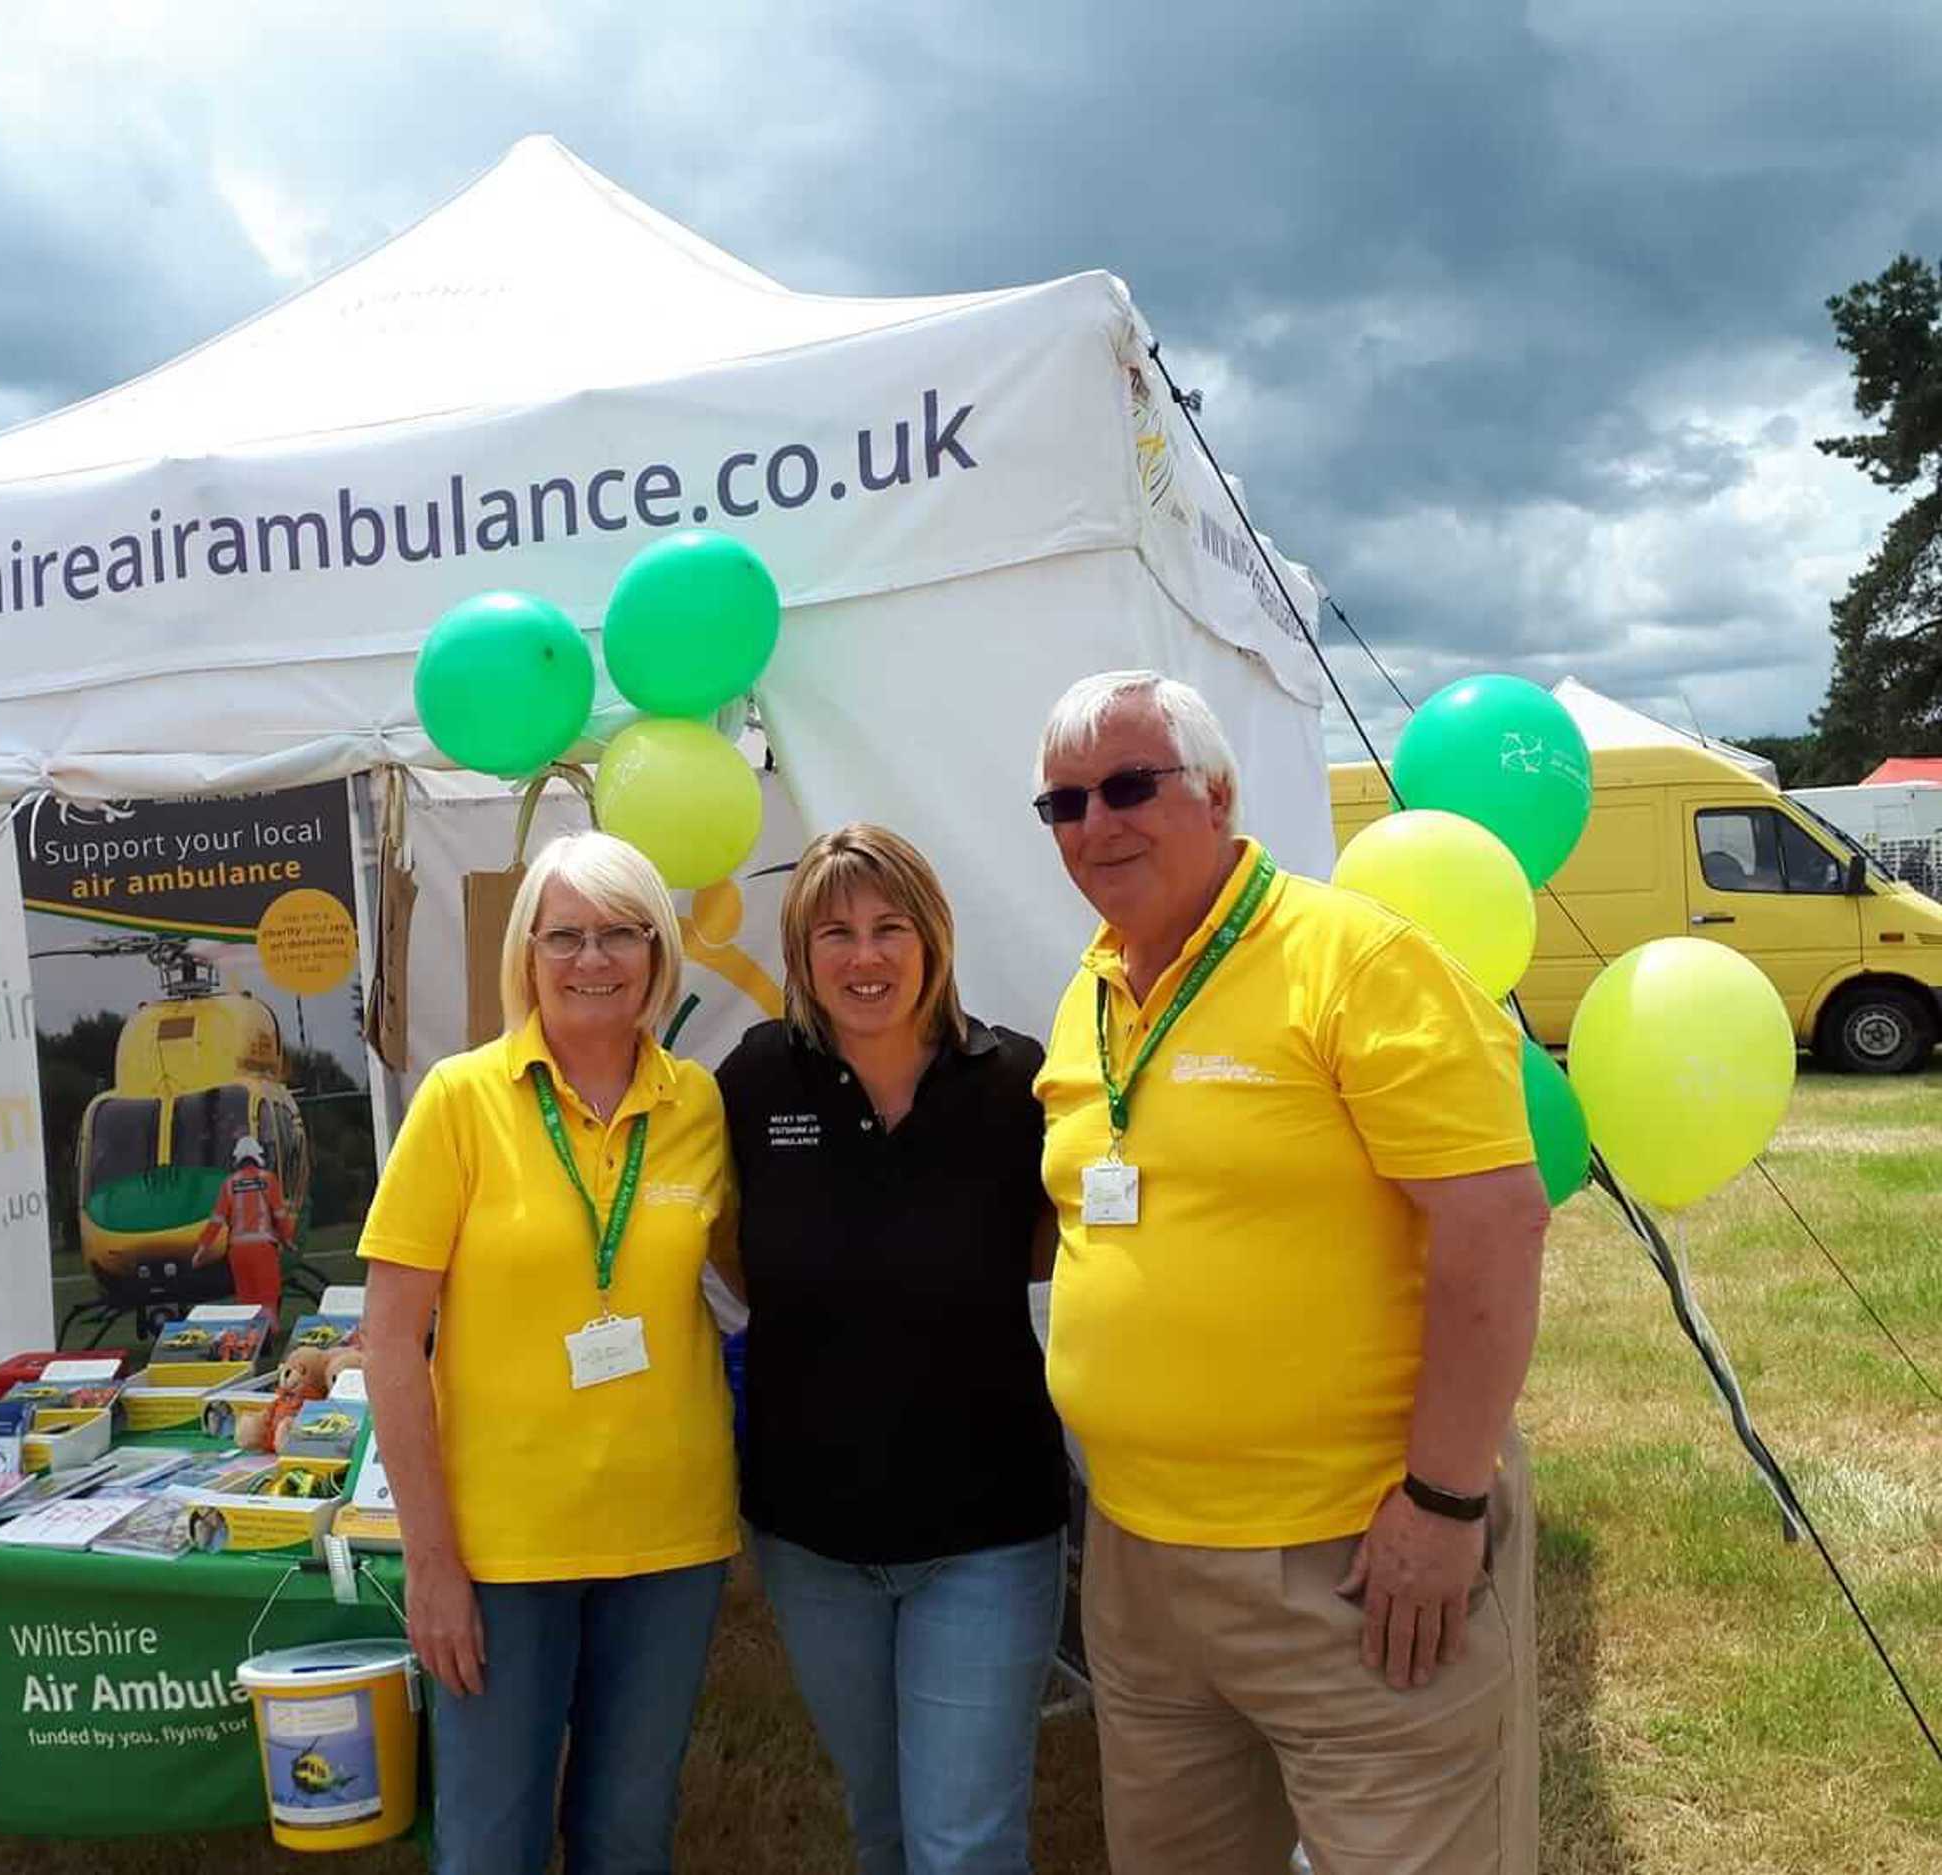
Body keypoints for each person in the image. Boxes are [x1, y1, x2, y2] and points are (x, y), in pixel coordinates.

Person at [1029, 672, 1550, 1874]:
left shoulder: (1354, 961)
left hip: (1357, 1563)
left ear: (1214, 794)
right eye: (1062, 803)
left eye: (1126, 787)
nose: (1096, 824)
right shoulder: (1092, 991)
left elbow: (1497, 1225)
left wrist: (1444, 1501)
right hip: (1140, 1563)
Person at [359, 831, 737, 1875]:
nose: (592, 959)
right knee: (490, 1843)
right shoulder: (459, 1100)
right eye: (563, 935)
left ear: (657, 954)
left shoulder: (698, 1105)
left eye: (620, 933)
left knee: (628, 1836)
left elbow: (754, 1280)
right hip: (502, 1551)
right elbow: (389, 1345)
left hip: (670, 1540)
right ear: (524, 954)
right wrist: (430, 1563)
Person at [714, 823, 1065, 1875]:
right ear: (800, 956)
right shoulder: (758, 1079)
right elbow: (727, 1245)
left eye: (887, 928)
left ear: (933, 939)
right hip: (810, 1531)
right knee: (881, 1821)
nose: (863, 958)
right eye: (834, 934)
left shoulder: (1013, 1083)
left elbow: (1054, 1246)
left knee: (962, 1841)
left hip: (985, 1532)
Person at [194, 1135, 291, 1310]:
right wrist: (288, 1240)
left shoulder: (229, 1183)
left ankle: (249, 1335)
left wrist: (201, 1249)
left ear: (237, 1159)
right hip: (264, 1249)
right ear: (258, 1156)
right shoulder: (268, 1179)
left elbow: (216, 1220)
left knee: (246, 1300)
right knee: (268, 1296)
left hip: (237, 1252)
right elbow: (280, 1215)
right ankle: (268, 1333)